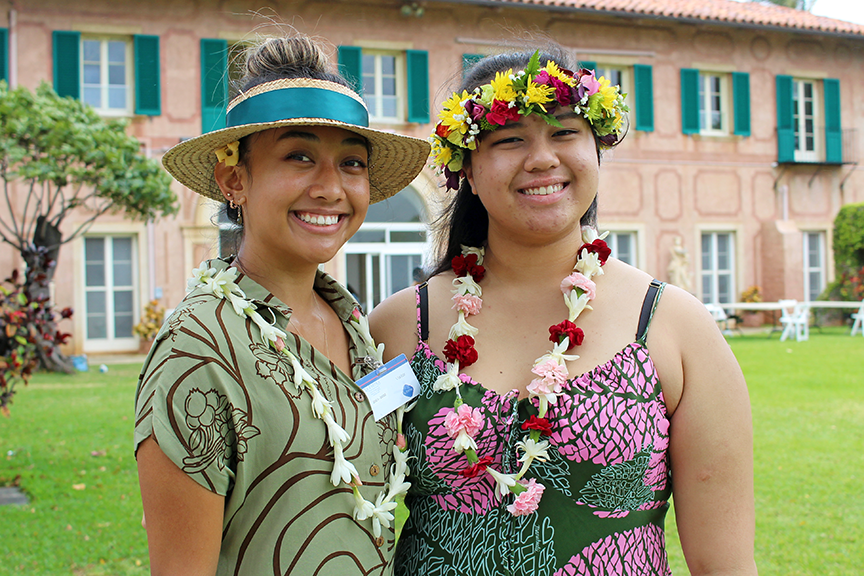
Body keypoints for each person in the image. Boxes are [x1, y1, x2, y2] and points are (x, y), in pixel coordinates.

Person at [370, 48, 756, 575]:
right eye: (510, 139)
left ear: (596, 152)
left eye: (565, 132)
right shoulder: (396, 328)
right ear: (468, 171)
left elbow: (724, 565)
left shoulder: (675, 327)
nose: (542, 158)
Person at [134, 34, 429, 575]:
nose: (330, 188)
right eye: (299, 156)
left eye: (352, 164)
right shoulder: (198, 347)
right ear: (234, 180)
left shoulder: (356, 328)